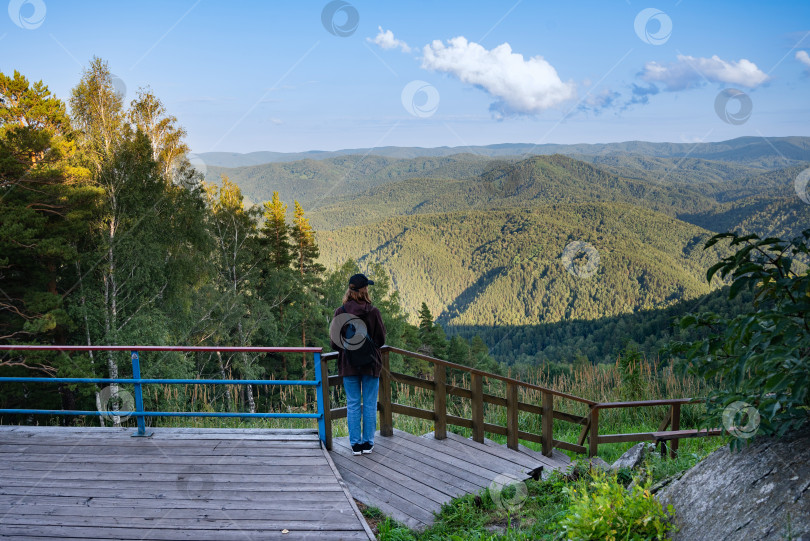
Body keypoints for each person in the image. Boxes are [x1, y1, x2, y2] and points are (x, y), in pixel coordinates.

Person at [331, 273, 386, 456]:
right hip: (371, 364)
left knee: (353, 404)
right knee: (369, 404)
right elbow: (380, 340)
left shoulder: (340, 312)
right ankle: (368, 443)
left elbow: (334, 343)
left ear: (350, 290)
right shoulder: (373, 311)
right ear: (364, 290)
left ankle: (355, 445)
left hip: (349, 364)